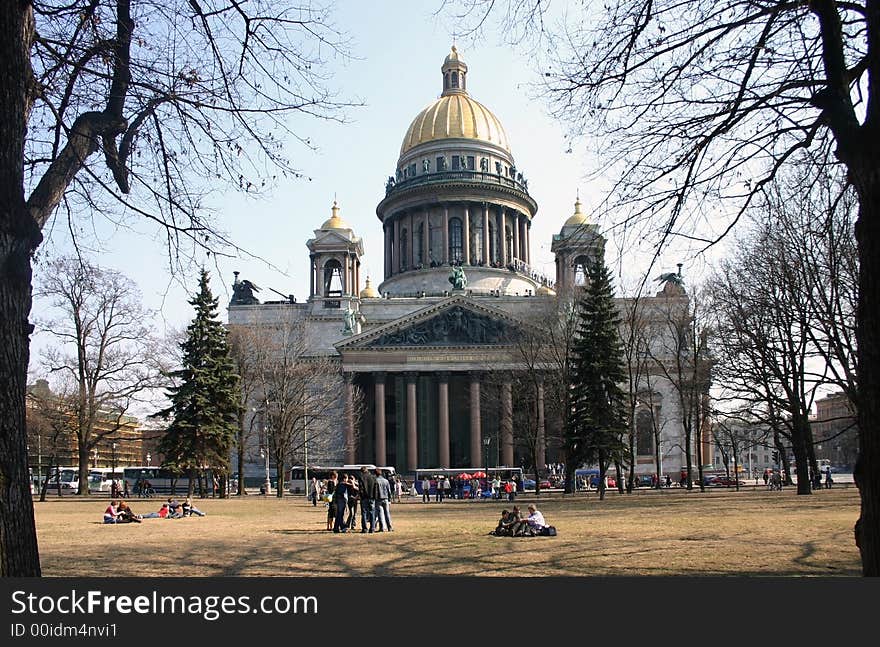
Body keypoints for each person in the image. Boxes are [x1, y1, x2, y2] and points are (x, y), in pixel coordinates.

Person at [357, 466, 377, 533]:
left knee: (364, 513)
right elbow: (375, 488)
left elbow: (361, 488)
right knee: (372, 512)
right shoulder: (373, 477)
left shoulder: (361, 477)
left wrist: (361, 496)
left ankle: (365, 528)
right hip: (371, 497)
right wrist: (375, 496)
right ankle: (372, 528)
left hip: (364, 498)